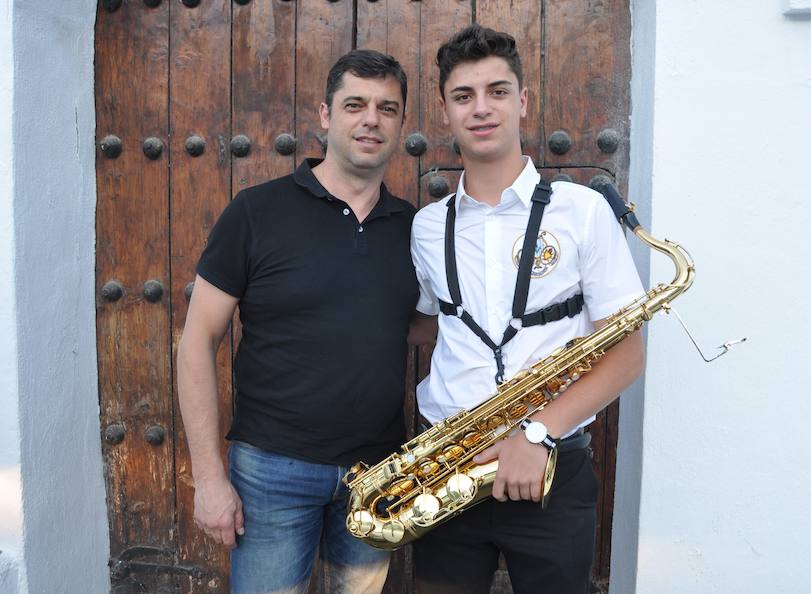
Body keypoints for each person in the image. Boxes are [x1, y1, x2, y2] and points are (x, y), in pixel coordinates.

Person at [410, 24, 646, 594]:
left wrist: (537, 433)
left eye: (497, 91)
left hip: (549, 464)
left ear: (523, 101)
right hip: (446, 467)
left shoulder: (582, 211)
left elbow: (627, 352)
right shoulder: (426, 226)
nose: (481, 108)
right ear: (445, 111)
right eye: (463, 96)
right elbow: (432, 324)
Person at [177, 49, 418, 594]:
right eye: (355, 104)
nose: (370, 119)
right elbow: (198, 341)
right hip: (271, 473)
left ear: (401, 123)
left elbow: (417, 325)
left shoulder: (413, 227)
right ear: (325, 115)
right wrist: (210, 480)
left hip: (376, 475)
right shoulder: (256, 213)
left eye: (387, 108)